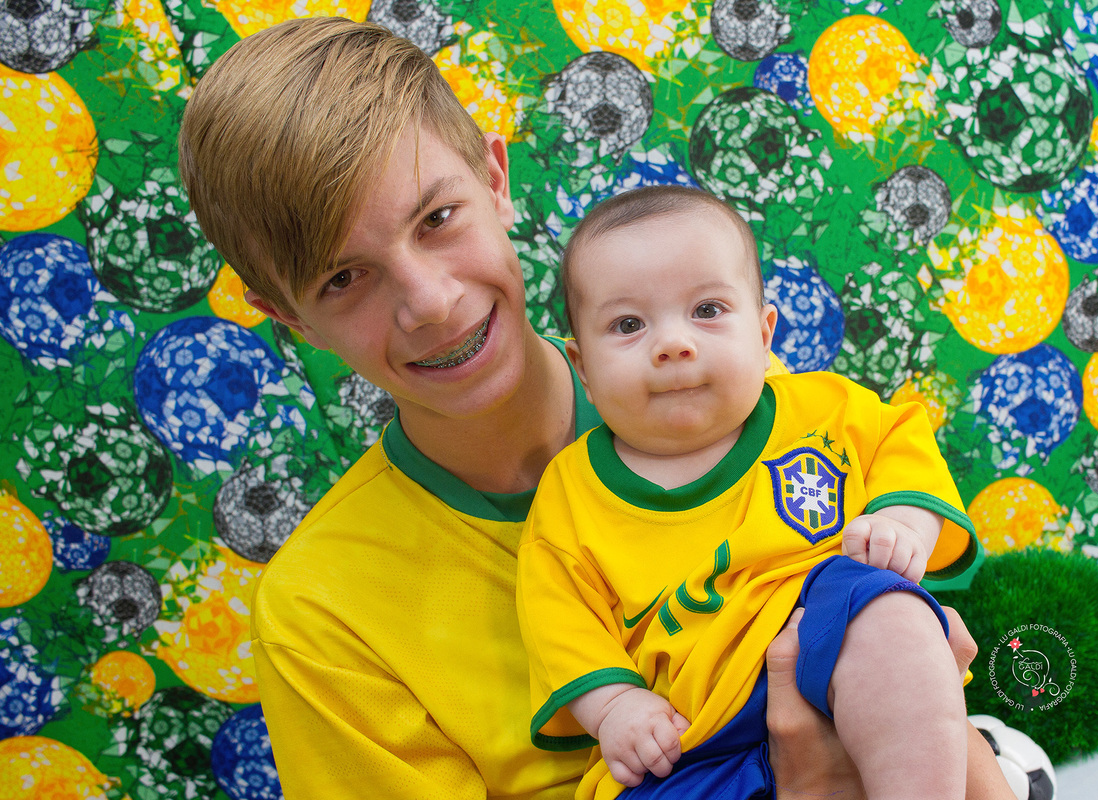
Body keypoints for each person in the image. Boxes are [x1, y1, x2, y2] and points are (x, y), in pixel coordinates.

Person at [176, 15, 1014, 800]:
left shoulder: (719, 395)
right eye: (343, 278)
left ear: (496, 180)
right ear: (286, 314)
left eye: (437, 218)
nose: (429, 301)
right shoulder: (320, 616)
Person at [517, 185, 981, 800]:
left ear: (765, 336)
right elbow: (557, 619)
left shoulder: (824, 407)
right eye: (628, 325)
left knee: (891, 620)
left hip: (825, 628)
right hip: (689, 734)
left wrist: (901, 519)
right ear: (583, 369)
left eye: (707, 310)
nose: (674, 344)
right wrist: (615, 706)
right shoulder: (570, 493)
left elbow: (901, 440)